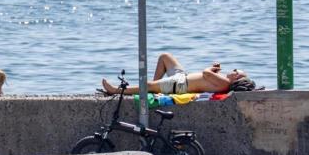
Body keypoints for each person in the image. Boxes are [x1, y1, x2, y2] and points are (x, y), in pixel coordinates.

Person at [100, 52, 256, 95]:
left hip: (181, 85)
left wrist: (212, 69)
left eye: (236, 72)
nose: (233, 71)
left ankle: (115, 90)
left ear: (237, 79)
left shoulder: (225, 83)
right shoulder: (223, 82)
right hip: (182, 77)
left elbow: (205, 73)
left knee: (148, 85)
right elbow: (206, 76)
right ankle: (155, 89)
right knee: (165, 57)